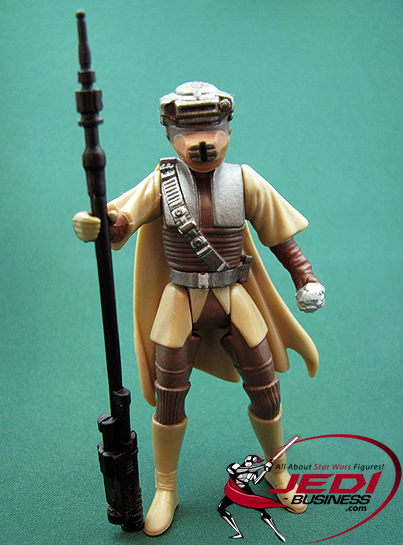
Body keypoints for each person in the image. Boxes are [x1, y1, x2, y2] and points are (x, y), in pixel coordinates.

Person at [73, 81, 325, 536]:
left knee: (266, 387)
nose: (202, 142)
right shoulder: (163, 181)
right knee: (168, 396)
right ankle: (165, 488)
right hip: (180, 297)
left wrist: (304, 276)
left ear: (227, 128)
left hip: (234, 294)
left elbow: (279, 236)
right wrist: (100, 224)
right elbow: (123, 221)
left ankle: (278, 470)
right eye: (188, 131)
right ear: (171, 134)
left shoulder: (244, 181)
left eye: (212, 128)